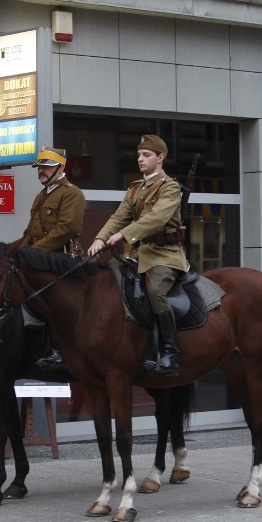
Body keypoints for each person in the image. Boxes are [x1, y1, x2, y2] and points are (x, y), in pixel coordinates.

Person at [87, 134, 188, 376]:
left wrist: (124, 235)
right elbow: (118, 216)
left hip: (165, 255)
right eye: (139, 155)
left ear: (160, 158)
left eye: (147, 155)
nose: (140, 159)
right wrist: (100, 237)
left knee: (155, 292)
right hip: (137, 255)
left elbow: (157, 218)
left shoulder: (171, 188)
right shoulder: (134, 189)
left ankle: (169, 352)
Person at [23, 145, 86, 372]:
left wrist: (34, 253)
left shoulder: (72, 193)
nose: (41, 171)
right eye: (39, 166)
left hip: (63, 260)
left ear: (61, 167)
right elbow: (30, 232)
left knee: (54, 297)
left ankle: (60, 350)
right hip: (40, 260)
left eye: (47, 166)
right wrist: (18, 253)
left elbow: (67, 229)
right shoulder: (41, 196)